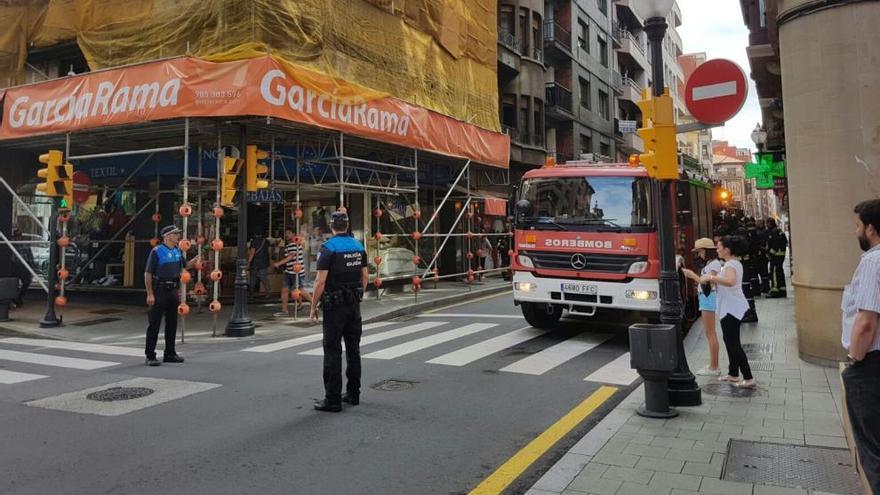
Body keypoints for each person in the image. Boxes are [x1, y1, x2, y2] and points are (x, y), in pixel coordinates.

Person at [309, 210, 368, 412]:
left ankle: (333, 399)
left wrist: (313, 305)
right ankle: (353, 394)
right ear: (348, 225)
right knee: (354, 349)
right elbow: (365, 277)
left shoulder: (328, 248)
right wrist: (357, 295)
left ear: (332, 227)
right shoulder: (359, 246)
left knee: (333, 350)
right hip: (353, 305)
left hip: (334, 307)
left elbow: (320, 281)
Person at [840, 199, 880, 493]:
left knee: (874, 451)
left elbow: (866, 321)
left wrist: (854, 359)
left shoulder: (873, 262)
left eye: (857, 225)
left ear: (870, 228)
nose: (855, 232)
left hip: (871, 366)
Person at [685, 235, 756, 389]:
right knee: (730, 341)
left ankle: (749, 378)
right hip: (729, 307)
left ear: (727, 249)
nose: (717, 250)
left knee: (733, 344)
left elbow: (730, 282)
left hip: (731, 308)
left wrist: (710, 277)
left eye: (719, 247)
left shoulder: (730, 265)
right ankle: (733, 373)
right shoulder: (731, 263)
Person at [144, 225, 194, 366]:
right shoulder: (157, 251)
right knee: (154, 323)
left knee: (172, 323)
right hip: (159, 290)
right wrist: (150, 293)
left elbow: (184, 266)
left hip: (173, 289)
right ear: (167, 236)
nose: (178, 236)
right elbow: (147, 273)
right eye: (175, 234)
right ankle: (150, 355)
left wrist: (193, 262)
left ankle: (170, 353)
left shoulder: (178, 250)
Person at [682, 238, 723, 376]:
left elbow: (708, 282)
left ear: (706, 251)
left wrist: (693, 276)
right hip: (706, 297)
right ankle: (713, 365)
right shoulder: (712, 263)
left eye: (700, 252)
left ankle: (714, 366)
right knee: (709, 333)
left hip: (708, 297)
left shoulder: (714, 264)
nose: (699, 255)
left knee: (710, 333)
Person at [273, 228, 312, 316]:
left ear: (294, 234)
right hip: (290, 271)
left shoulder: (294, 244)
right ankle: (284, 310)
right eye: (286, 233)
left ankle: (314, 303)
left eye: (288, 233)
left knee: (299, 290)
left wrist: (278, 263)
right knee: (285, 290)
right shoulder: (292, 244)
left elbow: (290, 257)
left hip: (296, 272)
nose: (286, 235)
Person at [10, 229, 33, 308]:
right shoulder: (11, 244)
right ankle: (14, 298)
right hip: (14, 265)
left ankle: (19, 297)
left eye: (19, 235)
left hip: (24, 265)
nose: (18, 237)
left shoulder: (25, 244)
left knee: (27, 281)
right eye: (16, 236)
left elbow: (30, 256)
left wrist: (31, 266)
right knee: (13, 283)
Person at [766, 219, 788, 298]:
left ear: (770, 223)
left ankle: (775, 291)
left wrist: (770, 254)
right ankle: (782, 290)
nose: (766, 225)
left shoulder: (773, 232)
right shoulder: (779, 231)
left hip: (776, 256)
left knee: (774, 273)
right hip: (780, 256)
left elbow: (775, 244)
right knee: (780, 273)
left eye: (767, 223)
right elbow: (784, 241)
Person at [248, 232, 271, 297]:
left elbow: (252, 253)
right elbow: (268, 251)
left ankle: (251, 294)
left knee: (253, 279)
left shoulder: (253, 241)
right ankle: (268, 293)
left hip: (255, 263)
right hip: (264, 263)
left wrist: (248, 263)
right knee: (264, 279)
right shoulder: (266, 241)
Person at [755, 219, 771, 295]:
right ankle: (765, 286)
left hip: (761, 255)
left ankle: (764, 287)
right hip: (764, 256)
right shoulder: (766, 231)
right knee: (764, 272)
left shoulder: (760, 233)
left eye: (757, 223)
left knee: (762, 272)